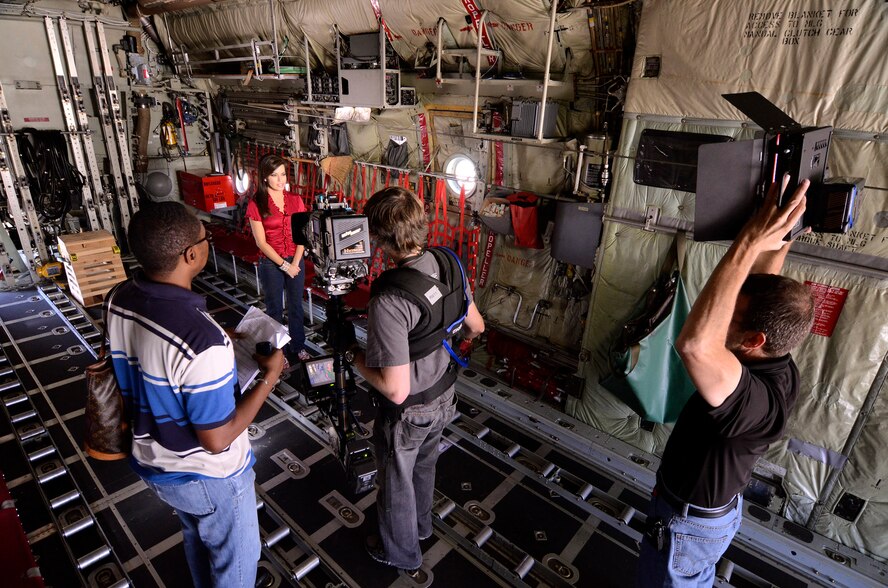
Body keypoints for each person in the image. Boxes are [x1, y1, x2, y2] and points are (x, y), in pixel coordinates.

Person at [637, 176, 816, 587]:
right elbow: (760, 283)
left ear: (754, 341)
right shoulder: (772, 357)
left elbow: (696, 345)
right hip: (700, 512)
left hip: (689, 525)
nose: (720, 315)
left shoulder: (757, 403)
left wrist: (748, 244)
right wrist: (784, 225)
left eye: (730, 315)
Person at [107, 202, 284, 588]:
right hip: (207, 476)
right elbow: (217, 439)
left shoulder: (119, 296)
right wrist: (269, 378)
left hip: (155, 461)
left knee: (196, 536)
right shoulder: (203, 342)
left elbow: (156, 340)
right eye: (205, 239)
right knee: (235, 564)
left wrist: (213, 335)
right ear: (191, 255)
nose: (207, 243)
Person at [351, 186, 485, 579]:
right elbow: (475, 326)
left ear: (378, 239)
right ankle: (422, 527)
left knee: (396, 481)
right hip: (445, 393)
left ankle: (401, 553)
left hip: (410, 411)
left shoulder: (390, 299)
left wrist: (353, 358)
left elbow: (395, 389)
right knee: (424, 467)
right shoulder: (448, 263)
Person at [246, 154, 310, 362]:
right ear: (265, 177)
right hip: (271, 263)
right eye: (275, 175)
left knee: (296, 306)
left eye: (283, 174)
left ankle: (298, 346)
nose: (280, 180)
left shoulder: (296, 200)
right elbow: (261, 242)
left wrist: (295, 262)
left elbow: (302, 235)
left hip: (295, 260)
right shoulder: (256, 204)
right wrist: (284, 265)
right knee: (274, 309)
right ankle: (276, 354)